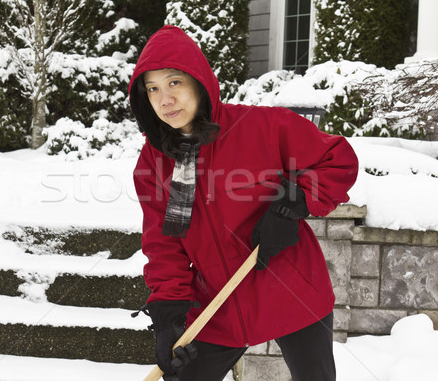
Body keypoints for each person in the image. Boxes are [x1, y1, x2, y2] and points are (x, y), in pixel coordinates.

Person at [130, 25, 358, 381]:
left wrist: (294, 202)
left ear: (199, 81)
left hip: (292, 293)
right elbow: (165, 242)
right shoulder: (155, 163)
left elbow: (337, 159)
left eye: (174, 83)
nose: (164, 99)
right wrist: (169, 314)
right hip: (217, 307)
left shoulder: (260, 127)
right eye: (153, 89)